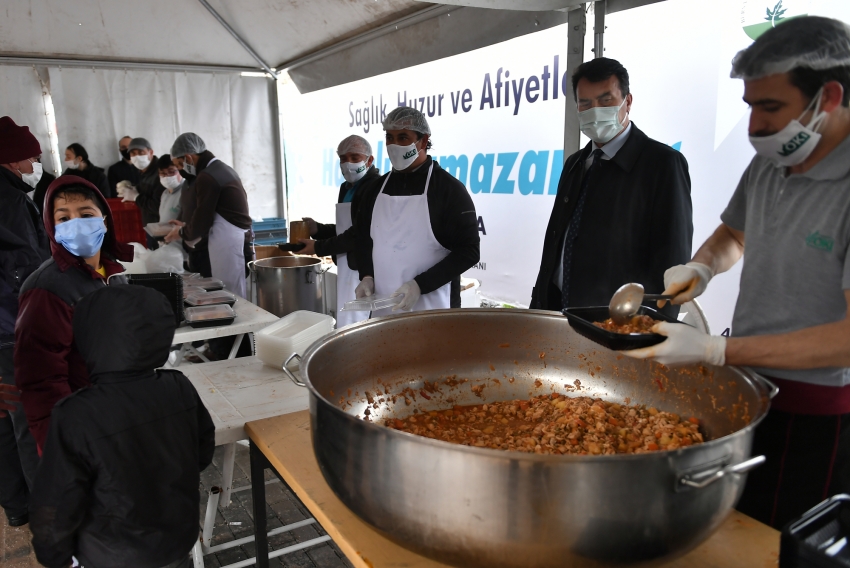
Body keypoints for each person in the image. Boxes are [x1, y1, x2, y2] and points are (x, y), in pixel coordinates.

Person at [625, 16, 850, 529]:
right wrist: (701, 267)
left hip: (819, 412)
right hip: (751, 389)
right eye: (750, 106)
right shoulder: (773, 161)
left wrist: (716, 350)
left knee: (782, 538)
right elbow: (735, 235)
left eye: (771, 108)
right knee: (734, 524)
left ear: (829, 97)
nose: (755, 127)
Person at [29, 285, 214, 568]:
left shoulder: (76, 414)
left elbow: (56, 502)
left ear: (89, 336)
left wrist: (53, 557)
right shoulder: (179, 386)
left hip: (112, 554)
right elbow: (202, 452)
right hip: (175, 542)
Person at [530, 58, 693, 314]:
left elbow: (672, 261)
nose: (594, 111)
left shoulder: (662, 164)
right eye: (585, 103)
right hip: (557, 313)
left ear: (627, 101)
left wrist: (650, 333)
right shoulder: (576, 163)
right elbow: (556, 244)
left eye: (606, 100)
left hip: (617, 326)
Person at [15, 177, 133, 452]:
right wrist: (61, 445)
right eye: (64, 218)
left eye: (86, 214)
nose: (76, 224)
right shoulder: (46, 289)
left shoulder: (114, 276)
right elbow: (41, 382)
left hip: (117, 414)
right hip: (84, 427)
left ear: (104, 220)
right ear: (52, 228)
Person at [355, 107, 480, 314]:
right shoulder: (374, 190)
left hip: (432, 309)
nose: (394, 145)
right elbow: (363, 239)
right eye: (389, 137)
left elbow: (469, 251)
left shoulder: (448, 190)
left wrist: (420, 284)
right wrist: (367, 275)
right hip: (382, 311)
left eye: (403, 137)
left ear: (423, 141)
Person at [0, 116, 51, 527]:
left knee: (3, 422)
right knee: (26, 420)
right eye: (33, 156)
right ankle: (45, 514)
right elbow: (26, 268)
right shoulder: (13, 201)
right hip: (9, 329)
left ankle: (16, 507)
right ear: (14, 161)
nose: (37, 163)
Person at [300, 135, 381, 327]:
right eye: (343, 158)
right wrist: (317, 229)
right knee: (348, 317)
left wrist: (318, 247)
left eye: (354, 157)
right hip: (346, 263)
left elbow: (359, 233)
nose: (348, 163)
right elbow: (344, 228)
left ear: (369, 160)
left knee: (362, 320)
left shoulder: (374, 187)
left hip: (366, 267)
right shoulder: (347, 187)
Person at [165, 133, 252, 298]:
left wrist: (182, 233)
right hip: (235, 237)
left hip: (227, 240)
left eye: (179, 164)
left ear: (188, 157)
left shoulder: (207, 176)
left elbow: (203, 217)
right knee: (236, 291)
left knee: (228, 294)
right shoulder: (222, 168)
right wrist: (186, 226)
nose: (182, 170)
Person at [120, 137, 162, 249]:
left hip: (161, 229)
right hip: (151, 227)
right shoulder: (144, 172)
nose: (137, 156)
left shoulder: (160, 173)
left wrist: (136, 197)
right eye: (133, 153)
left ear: (150, 152)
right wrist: (133, 188)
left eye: (141, 152)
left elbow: (158, 206)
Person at [157, 154, 185, 224]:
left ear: (180, 169)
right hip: (164, 233)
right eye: (162, 173)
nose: (167, 176)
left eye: (171, 171)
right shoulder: (165, 193)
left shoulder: (186, 192)